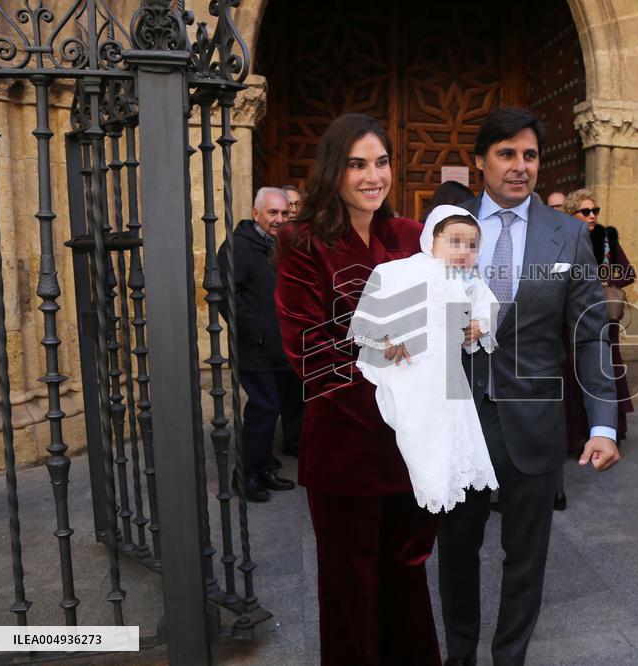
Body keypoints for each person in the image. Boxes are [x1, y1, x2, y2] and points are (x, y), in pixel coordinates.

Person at [438, 107, 620, 666]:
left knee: (526, 557)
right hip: (459, 419)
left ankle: (509, 657)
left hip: (534, 422)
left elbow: (590, 336)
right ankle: (460, 654)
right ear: (480, 161)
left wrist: (603, 424)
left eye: (530, 155)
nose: (521, 167)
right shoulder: (446, 224)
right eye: (507, 154)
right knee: (456, 553)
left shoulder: (568, 235)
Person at [274, 113, 442, 665]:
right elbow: (310, 352)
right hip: (347, 445)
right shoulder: (304, 243)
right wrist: (395, 381)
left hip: (410, 447)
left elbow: (442, 318)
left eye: (382, 162)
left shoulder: (410, 236)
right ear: (334, 170)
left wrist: (461, 326)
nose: (374, 176)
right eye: (357, 164)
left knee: (407, 574)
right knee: (350, 589)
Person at [348, 204, 499, 513]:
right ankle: (428, 486)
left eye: (472, 246)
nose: (463, 252)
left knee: (449, 429)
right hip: (407, 367)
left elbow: (488, 306)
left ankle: (445, 484)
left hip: (445, 370)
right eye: (454, 241)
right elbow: (373, 306)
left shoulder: (471, 280)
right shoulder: (401, 269)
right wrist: (385, 337)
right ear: (431, 239)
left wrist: (478, 327)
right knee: (415, 426)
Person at [217, 187, 298, 502]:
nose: (279, 219)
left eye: (283, 213)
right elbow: (226, 294)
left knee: (273, 407)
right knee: (263, 408)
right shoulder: (239, 246)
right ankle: (246, 474)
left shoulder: (279, 245)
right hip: (255, 347)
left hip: (280, 347)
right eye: (272, 213)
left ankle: (264, 468)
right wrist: (256, 331)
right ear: (256, 213)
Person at [563, 188, 637, 445]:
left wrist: (602, 280)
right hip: (571, 320)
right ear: (572, 214)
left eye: (595, 211)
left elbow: (628, 273)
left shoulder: (607, 240)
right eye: (585, 211)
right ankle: (577, 433)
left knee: (604, 371)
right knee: (573, 374)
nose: (592, 216)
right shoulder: (563, 240)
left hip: (604, 320)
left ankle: (608, 430)